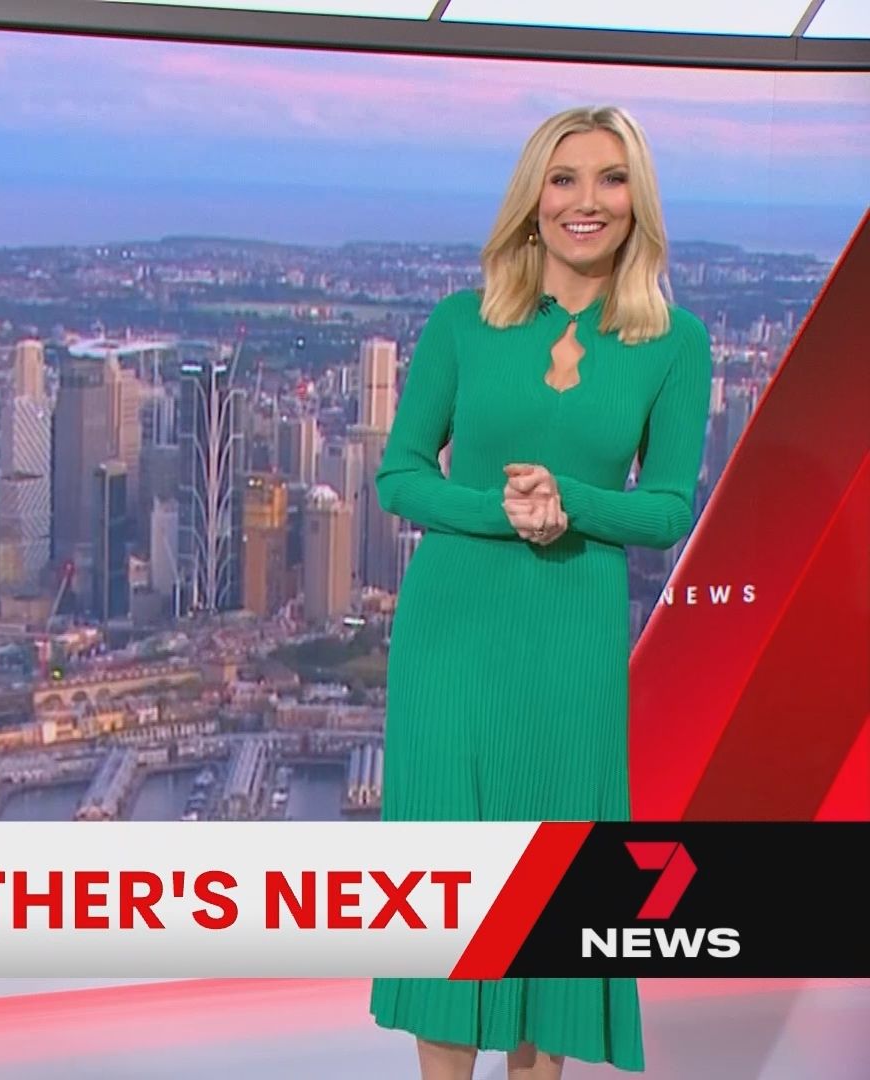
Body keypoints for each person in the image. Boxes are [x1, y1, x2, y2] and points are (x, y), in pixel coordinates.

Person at [367, 105, 713, 1078]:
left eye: (610, 178)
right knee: (453, 891)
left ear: (637, 201)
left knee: (552, 891)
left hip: (572, 645)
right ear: (533, 198)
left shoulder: (675, 343)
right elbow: (399, 475)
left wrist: (572, 504)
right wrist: (503, 511)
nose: (585, 201)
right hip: (452, 639)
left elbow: (668, 508)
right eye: (564, 179)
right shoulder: (461, 322)